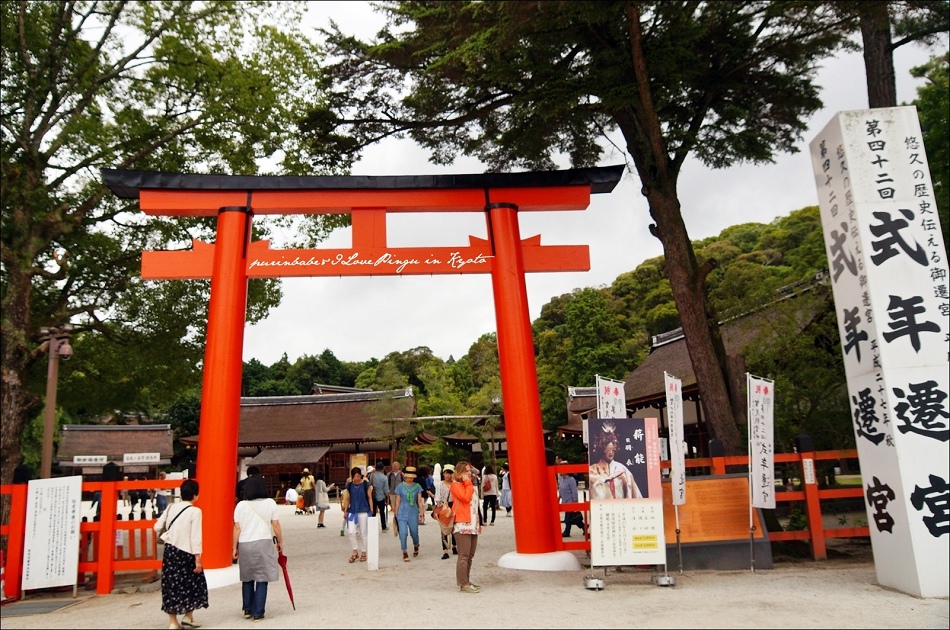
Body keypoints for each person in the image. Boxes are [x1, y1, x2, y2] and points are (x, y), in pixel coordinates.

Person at [154, 478, 207, 630]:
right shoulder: (195, 511)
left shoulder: (171, 507)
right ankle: (189, 616)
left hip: (170, 552)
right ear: (196, 495)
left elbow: (157, 527)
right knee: (193, 584)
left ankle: (173, 622)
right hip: (186, 552)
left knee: (171, 585)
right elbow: (195, 537)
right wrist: (198, 559)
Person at [233, 475, 283, 622]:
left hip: (245, 543)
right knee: (262, 577)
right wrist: (280, 541)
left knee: (247, 577)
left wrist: (233, 548)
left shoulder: (241, 505)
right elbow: (275, 525)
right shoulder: (270, 503)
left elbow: (237, 528)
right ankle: (258, 612)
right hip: (264, 542)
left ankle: (248, 609)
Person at [450, 461, 482, 593]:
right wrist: (468, 483)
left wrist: (480, 523)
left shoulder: (469, 485)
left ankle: (467, 580)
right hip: (462, 524)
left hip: (473, 523)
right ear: (460, 472)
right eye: (467, 471)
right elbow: (465, 498)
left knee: (470, 555)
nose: (469, 473)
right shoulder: (456, 485)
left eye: (470, 470)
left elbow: (475, 505)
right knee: (463, 555)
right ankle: (463, 583)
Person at [589, 433, 641, 499]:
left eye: (613, 450)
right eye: (607, 450)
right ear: (602, 450)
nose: (611, 453)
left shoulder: (622, 469)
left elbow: (632, 491)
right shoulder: (593, 469)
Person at [392, 466, 426, 562]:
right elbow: (398, 500)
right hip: (402, 511)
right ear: (405, 477)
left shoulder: (417, 486)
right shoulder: (400, 487)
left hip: (413, 511)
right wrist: (396, 513)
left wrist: (422, 513)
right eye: (408, 477)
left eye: (412, 477)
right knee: (403, 533)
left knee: (414, 532)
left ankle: (416, 544)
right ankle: (404, 552)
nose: (410, 479)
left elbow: (419, 501)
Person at [341, 467, 373, 563]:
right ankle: (355, 551)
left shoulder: (365, 484)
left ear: (361, 475)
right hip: (353, 511)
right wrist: (345, 511)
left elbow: (369, 497)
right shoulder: (349, 485)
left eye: (358, 476)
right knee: (351, 532)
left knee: (363, 533)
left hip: (363, 510)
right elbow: (347, 499)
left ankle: (364, 552)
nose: (356, 478)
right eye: (354, 476)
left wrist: (371, 509)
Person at [435, 465, 457, 559]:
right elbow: (437, 496)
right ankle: (445, 550)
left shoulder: (455, 484)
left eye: (450, 473)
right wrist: (439, 503)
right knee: (444, 527)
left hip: (454, 505)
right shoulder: (440, 484)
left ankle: (454, 546)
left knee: (454, 526)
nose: (448, 475)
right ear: (443, 473)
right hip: (444, 505)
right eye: (446, 473)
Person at [557, 461, 584, 537]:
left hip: (570, 501)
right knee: (574, 518)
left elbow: (574, 492)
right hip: (564, 501)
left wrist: (575, 502)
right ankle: (584, 527)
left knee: (567, 518)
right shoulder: (561, 479)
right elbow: (561, 490)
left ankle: (567, 531)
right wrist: (559, 498)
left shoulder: (571, 479)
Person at [367, 465, 390, 530]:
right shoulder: (384, 477)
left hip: (373, 496)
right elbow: (386, 489)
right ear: (383, 468)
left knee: (373, 512)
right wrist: (387, 495)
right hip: (381, 496)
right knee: (382, 512)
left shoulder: (372, 475)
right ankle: (383, 526)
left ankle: (371, 526)